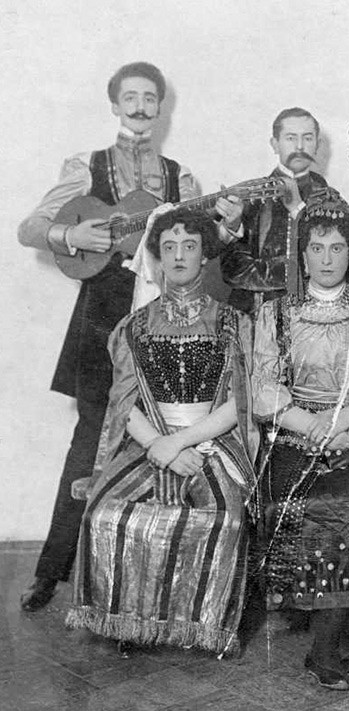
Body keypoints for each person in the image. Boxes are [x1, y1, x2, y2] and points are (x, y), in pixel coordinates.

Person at [16, 61, 237, 612]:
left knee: (160, 422)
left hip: (163, 317)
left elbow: (201, 245)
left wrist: (228, 225)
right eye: (130, 97)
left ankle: (135, 575)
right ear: (114, 104)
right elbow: (29, 227)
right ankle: (52, 570)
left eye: (150, 98)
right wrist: (70, 232)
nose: (140, 107)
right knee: (93, 433)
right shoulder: (83, 165)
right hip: (100, 313)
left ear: (160, 108)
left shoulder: (181, 176)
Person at [65, 207, 257, 656]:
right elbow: (124, 402)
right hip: (149, 443)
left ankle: (204, 629)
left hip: (213, 442)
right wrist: (159, 445)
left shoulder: (234, 325)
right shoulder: (134, 326)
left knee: (223, 518)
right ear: (156, 257)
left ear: (206, 254)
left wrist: (182, 442)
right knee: (105, 512)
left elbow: (240, 403)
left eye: (189, 246)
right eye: (168, 247)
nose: (178, 256)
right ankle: (130, 624)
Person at [251, 189, 349, 691]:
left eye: (338, 248)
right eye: (317, 248)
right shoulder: (275, 314)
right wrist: (307, 423)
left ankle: (326, 649)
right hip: (292, 439)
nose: (327, 259)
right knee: (312, 507)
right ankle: (331, 644)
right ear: (302, 254)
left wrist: (346, 421)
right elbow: (263, 388)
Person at [221, 107, 328, 314]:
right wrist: (233, 226)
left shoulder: (330, 199)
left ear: (317, 145)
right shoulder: (250, 196)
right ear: (274, 144)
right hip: (254, 313)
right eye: (290, 138)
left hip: (313, 316)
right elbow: (232, 270)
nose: (299, 146)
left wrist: (298, 208)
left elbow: (332, 265)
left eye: (307, 138)